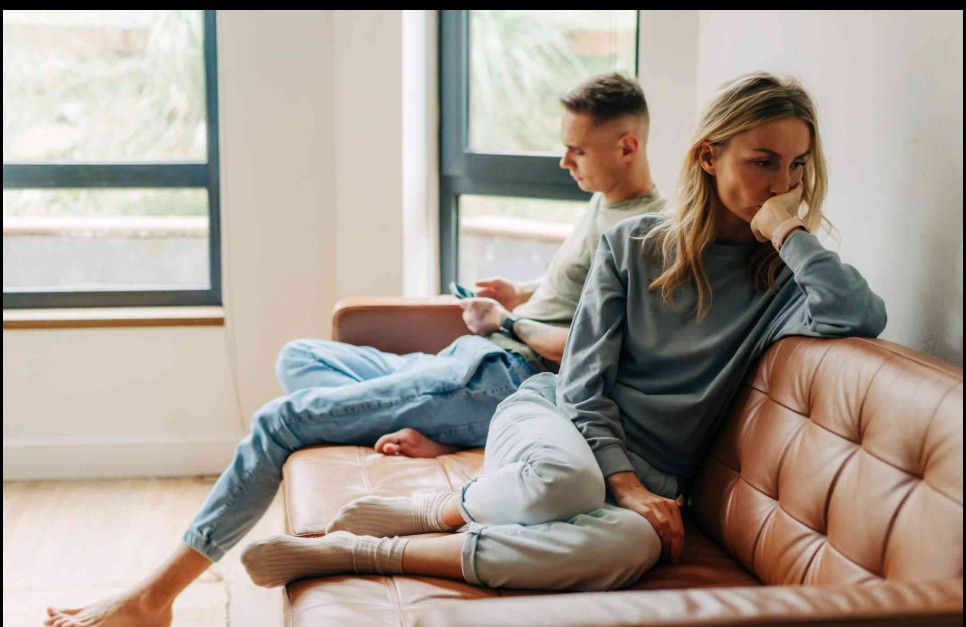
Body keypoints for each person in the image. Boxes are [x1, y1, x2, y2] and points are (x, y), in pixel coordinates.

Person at [43, 72, 665, 627]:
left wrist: (508, 321)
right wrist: (521, 293)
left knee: (280, 420)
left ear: (627, 146)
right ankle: (431, 421)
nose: (563, 160)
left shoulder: (643, 234)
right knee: (299, 357)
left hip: (502, 375)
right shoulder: (604, 200)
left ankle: (153, 599)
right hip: (470, 359)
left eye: (577, 150)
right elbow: (573, 293)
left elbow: (589, 353)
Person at [237, 71, 887, 593]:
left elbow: (858, 314)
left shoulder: (781, 281)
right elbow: (580, 385)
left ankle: (367, 551)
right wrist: (625, 484)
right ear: (709, 157)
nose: (784, 185)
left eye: (798, 166)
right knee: (568, 482)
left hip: (650, 479)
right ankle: (439, 510)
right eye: (765, 162)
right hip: (558, 422)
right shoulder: (633, 245)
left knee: (634, 546)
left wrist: (789, 232)